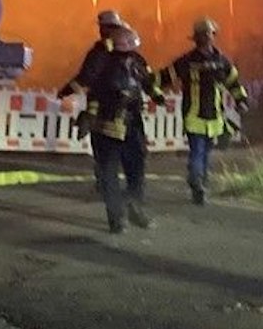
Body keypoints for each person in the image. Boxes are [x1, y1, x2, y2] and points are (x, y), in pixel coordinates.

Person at [60, 23, 160, 233]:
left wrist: (157, 95)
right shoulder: (106, 61)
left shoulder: (132, 60)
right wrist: (81, 106)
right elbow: (91, 87)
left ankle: (129, 210)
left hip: (126, 124)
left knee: (130, 171)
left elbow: (148, 81)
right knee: (114, 173)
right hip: (111, 124)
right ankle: (120, 215)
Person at [160, 17, 248, 205]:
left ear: (213, 35)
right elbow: (165, 77)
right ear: (197, 37)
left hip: (214, 117)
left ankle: (200, 183)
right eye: (204, 34)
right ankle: (197, 182)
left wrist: (241, 100)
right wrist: (150, 88)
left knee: (205, 152)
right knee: (198, 151)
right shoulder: (187, 61)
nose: (207, 37)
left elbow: (233, 82)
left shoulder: (221, 60)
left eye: (209, 34)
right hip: (193, 115)